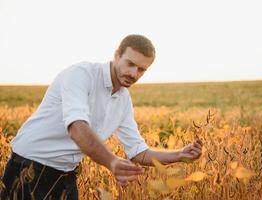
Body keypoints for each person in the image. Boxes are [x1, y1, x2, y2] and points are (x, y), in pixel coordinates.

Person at [0, 34, 202, 199]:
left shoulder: (123, 100)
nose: (134, 73)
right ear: (116, 55)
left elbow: (138, 152)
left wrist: (179, 155)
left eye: (141, 69)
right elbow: (77, 127)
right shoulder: (81, 74)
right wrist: (112, 162)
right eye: (130, 63)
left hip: (66, 175)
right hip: (28, 167)